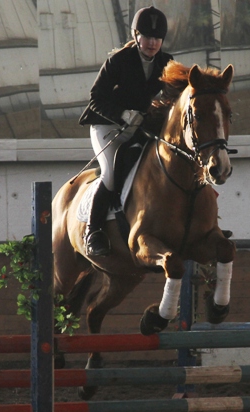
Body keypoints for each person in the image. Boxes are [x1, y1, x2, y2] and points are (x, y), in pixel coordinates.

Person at [78, 6, 174, 257]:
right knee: (110, 175)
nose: (153, 43)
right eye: (147, 36)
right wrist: (124, 114)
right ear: (136, 35)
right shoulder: (119, 60)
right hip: (107, 125)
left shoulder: (167, 62)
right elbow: (96, 98)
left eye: (157, 38)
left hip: (140, 128)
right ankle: (93, 231)